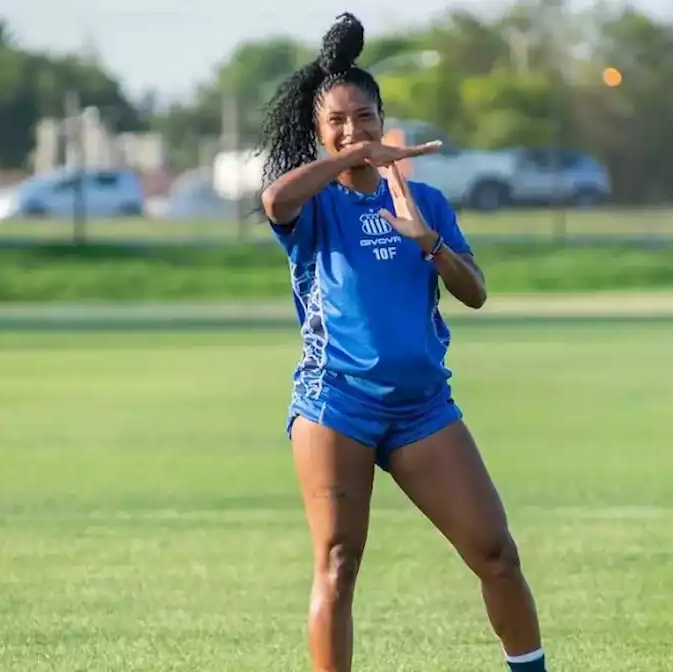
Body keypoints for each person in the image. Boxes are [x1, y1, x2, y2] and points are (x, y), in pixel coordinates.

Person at [256, 12, 549, 672]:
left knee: (496, 552)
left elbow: (474, 291)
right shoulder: (316, 205)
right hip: (337, 406)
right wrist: (344, 161)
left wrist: (429, 242)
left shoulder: (428, 203)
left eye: (364, 118)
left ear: (383, 118)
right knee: (337, 562)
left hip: (421, 410)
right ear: (318, 133)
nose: (354, 130)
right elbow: (274, 199)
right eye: (337, 121)